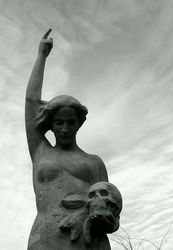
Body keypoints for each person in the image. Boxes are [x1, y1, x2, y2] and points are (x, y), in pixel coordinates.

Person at [26, 29, 113, 250]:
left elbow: (109, 206)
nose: (64, 129)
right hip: (44, 237)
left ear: (79, 123)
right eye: (59, 123)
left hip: (86, 238)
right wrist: (41, 56)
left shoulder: (94, 162)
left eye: (70, 122)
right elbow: (31, 102)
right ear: (51, 124)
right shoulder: (40, 151)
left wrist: (85, 214)